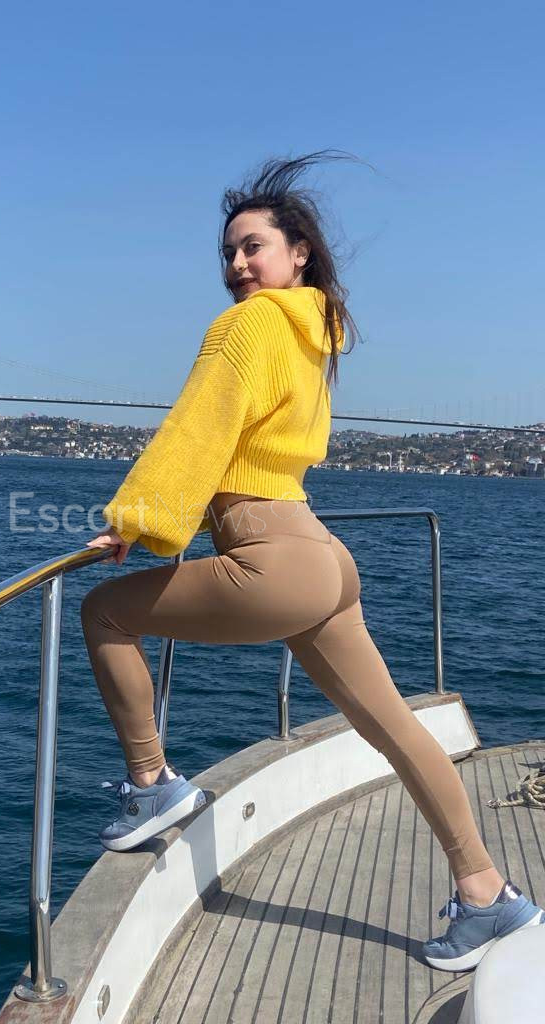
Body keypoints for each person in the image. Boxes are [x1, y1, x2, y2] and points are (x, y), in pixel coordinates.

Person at [80, 151, 544, 972]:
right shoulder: (313, 332)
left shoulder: (247, 326)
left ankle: (152, 786)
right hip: (321, 555)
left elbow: (199, 428)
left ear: (298, 252)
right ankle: (488, 895)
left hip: (272, 556)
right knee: (395, 729)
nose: (236, 264)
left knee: (104, 612)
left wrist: (135, 523)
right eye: (228, 252)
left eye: (252, 246)